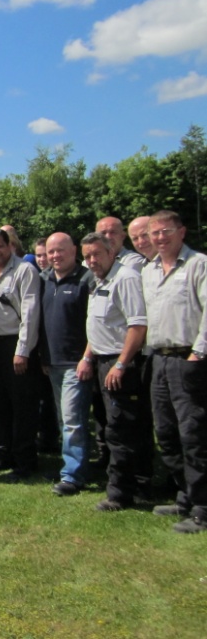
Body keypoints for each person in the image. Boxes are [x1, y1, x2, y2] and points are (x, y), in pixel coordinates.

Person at [141, 210, 207, 533]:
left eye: (166, 231)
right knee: (166, 432)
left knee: (193, 434)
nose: (159, 238)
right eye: (155, 233)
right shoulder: (149, 270)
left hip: (188, 359)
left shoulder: (198, 265)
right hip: (159, 360)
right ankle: (185, 495)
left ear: (181, 232)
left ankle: (203, 507)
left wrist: (199, 353)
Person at [80, 233, 152, 511]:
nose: (92, 260)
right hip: (101, 361)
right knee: (111, 426)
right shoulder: (99, 281)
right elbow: (98, 325)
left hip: (121, 363)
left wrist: (121, 364)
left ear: (112, 252)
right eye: (87, 256)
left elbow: (138, 326)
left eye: (97, 254)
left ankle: (122, 494)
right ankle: (137, 486)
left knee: (122, 429)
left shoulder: (126, 278)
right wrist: (88, 356)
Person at [0, 228, 41, 482]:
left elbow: (30, 312)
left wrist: (23, 350)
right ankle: (3, 455)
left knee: (22, 406)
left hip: (16, 344)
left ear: (9, 245)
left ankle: (25, 461)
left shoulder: (25, 271)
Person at [40, 233, 94, 496]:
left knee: (73, 418)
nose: (55, 256)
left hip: (76, 362)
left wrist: (87, 357)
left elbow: (96, 324)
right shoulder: (44, 279)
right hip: (53, 362)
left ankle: (73, 475)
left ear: (74, 250)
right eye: (51, 252)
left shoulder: (86, 279)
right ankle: (72, 465)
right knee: (65, 418)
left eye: (61, 250)